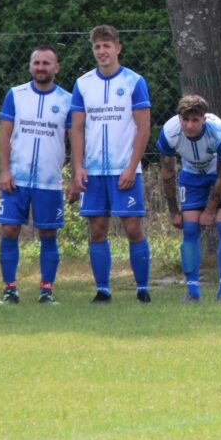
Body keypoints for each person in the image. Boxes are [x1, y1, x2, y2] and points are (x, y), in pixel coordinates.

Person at [69, 25, 152, 303]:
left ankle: (142, 289)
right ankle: (103, 290)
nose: (102, 51)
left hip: (123, 170)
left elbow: (143, 128)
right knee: (97, 229)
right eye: (97, 47)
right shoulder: (83, 84)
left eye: (107, 46)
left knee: (132, 227)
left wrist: (131, 167)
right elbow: (77, 128)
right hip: (93, 171)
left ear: (118, 48)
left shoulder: (134, 81)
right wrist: (77, 168)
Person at [0, 45, 72, 305]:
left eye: (46, 63)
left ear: (56, 68)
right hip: (16, 178)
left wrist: (74, 176)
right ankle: (9, 290)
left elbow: (76, 140)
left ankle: (46, 291)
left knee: (48, 234)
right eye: (36, 62)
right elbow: (4, 135)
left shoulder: (67, 100)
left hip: (48, 181)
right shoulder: (15, 95)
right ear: (30, 66)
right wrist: (4, 170)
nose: (41, 67)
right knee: (9, 230)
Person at [156, 95, 221, 303]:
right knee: (190, 228)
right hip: (192, 174)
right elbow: (167, 173)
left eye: (195, 120)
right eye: (185, 120)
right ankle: (192, 292)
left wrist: (210, 211)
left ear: (204, 119)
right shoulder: (169, 133)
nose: (190, 125)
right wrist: (174, 211)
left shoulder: (220, 134)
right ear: (179, 119)